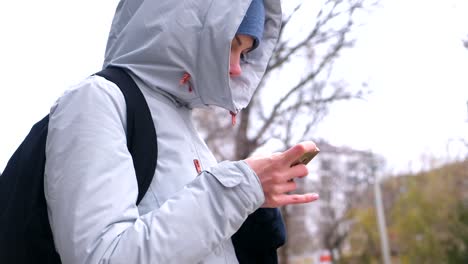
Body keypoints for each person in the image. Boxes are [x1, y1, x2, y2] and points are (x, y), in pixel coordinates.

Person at [44, 0, 320, 263]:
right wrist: (239, 191)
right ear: (189, 27)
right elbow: (101, 256)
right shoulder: (97, 100)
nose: (237, 68)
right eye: (230, 45)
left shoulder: (186, 127)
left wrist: (251, 206)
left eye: (245, 54)